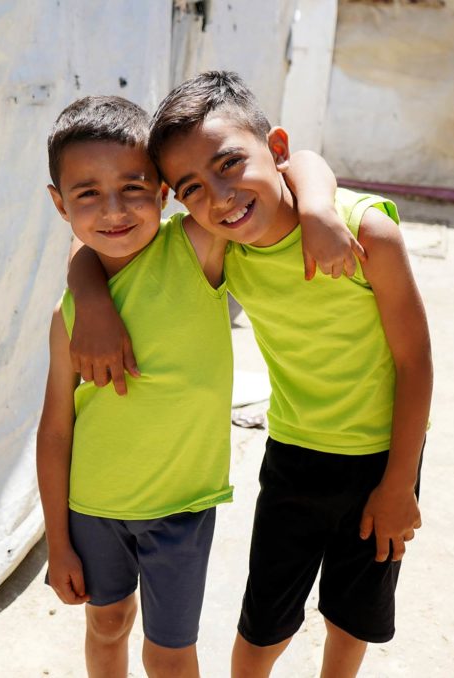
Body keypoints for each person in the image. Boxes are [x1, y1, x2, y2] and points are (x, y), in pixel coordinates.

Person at [70, 71, 433, 678]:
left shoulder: (365, 232)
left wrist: (400, 484)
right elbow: (98, 248)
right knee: (265, 617)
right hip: (292, 450)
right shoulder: (224, 245)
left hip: (382, 454)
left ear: (278, 152)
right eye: (191, 186)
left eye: (230, 164)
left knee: (352, 613)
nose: (219, 195)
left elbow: (415, 361)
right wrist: (93, 301)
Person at [37, 94, 356, 678]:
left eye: (134, 187)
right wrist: (58, 542)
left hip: (182, 509)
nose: (114, 209)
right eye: (87, 194)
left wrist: (318, 211)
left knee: (169, 651)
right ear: (60, 204)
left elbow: (297, 160)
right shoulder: (68, 320)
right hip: (92, 507)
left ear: (163, 192)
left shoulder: (195, 247)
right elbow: (57, 429)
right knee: (106, 626)